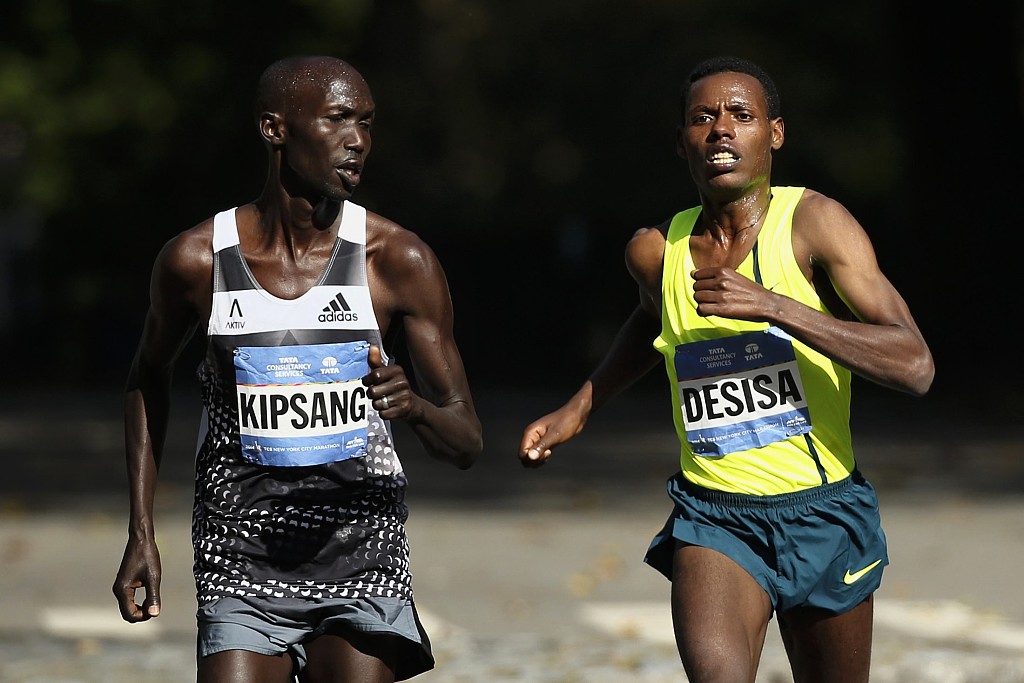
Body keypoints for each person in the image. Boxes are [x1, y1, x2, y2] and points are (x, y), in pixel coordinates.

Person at [519, 55, 934, 682]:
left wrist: (774, 306)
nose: (721, 129)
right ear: (681, 141)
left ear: (775, 133)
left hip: (823, 511)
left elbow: (914, 363)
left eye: (741, 114)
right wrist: (580, 406)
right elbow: (654, 321)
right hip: (714, 515)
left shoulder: (815, 225)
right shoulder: (655, 250)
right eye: (702, 117)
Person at [112, 55, 483, 682]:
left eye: (367, 123)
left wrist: (414, 407)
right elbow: (147, 378)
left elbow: (466, 441)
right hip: (240, 557)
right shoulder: (198, 260)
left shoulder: (396, 259)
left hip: (362, 558)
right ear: (274, 129)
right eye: (338, 119)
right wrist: (141, 531)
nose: (358, 140)